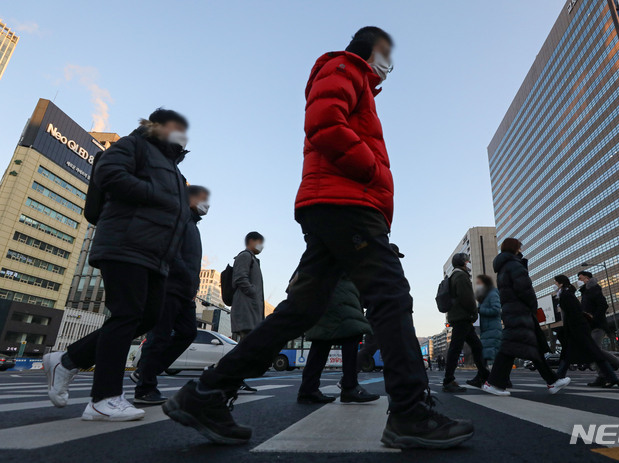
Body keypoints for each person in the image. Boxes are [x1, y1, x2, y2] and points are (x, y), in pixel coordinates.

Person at [162, 26, 473, 449]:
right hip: (348, 202)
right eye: (389, 55)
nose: (391, 65)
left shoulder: (352, 77)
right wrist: (373, 171)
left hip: (335, 204)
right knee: (390, 294)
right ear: (374, 50)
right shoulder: (344, 67)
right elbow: (324, 123)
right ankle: (410, 411)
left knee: (301, 310)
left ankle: (207, 392)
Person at [43, 109, 191, 421]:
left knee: (145, 317)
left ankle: (67, 361)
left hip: (155, 256)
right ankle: (104, 399)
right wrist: (152, 192)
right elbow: (108, 172)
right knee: (126, 315)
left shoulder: (173, 169)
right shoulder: (135, 144)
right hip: (126, 244)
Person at [131, 185, 210, 404]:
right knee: (160, 336)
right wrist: (185, 275)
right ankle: (145, 388)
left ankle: (146, 371)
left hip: (185, 292)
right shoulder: (179, 218)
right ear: (190, 199)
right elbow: (170, 250)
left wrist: (192, 285)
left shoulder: (193, 224)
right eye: (204, 198)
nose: (208, 204)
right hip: (168, 286)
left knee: (187, 332)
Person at [482, 238, 571, 396]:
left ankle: (552, 381)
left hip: (512, 310)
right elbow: (525, 289)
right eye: (519, 247)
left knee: (532, 347)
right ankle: (493, 383)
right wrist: (532, 306)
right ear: (515, 248)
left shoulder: (503, 268)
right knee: (510, 347)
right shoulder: (514, 265)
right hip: (520, 311)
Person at [297, 276, 379, 404]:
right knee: (351, 334)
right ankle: (349, 386)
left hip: (330, 296)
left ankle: (308, 389)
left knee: (322, 340)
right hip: (339, 295)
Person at [553, 275, 619, 388]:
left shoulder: (566, 295)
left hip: (577, 330)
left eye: (555, 282)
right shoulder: (567, 294)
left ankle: (557, 378)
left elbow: (573, 314)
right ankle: (558, 378)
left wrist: (570, 330)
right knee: (573, 355)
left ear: (561, 284)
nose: (554, 285)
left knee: (592, 354)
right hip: (578, 329)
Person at [442, 253, 490, 392]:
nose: (468, 264)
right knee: (456, 349)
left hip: (459, 317)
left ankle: (483, 375)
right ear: (463, 263)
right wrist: (474, 313)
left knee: (476, 346)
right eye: (467, 261)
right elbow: (467, 298)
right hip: (462, 318)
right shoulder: (461, 276)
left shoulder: (453, 275)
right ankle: (448, 380)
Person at [577, 270, 619, 385]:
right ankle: (603, 375)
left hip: (597, 325)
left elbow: (603, 305)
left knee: (594, 350)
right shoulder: (585, 292)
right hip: (591, 326)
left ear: (587, 279)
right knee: (594, 351)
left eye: (580, 278)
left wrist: (594, 318)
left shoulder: (593, 289)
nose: (579, 281)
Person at [357, 244, 403, 372]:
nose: (397, 259)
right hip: (380, 313)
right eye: (396, 255)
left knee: (386, 345)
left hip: (380, 312)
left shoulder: (376, 266)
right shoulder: (383, 268)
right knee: (371, 347)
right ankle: (348, 379)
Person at [230, 231, 265, 393]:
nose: (261, 246)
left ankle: (236, 378)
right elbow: (239, 278)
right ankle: (230, 377)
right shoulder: (245, 256)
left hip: (250, 308)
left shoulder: (254, 260)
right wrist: (252, 292)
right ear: (251, 241)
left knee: (246, 346)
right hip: (245, 308)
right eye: (259, 242)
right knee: (244, 345)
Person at [477, 274, 502, 368]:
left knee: (490, 354)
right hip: (486, 329)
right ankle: (485, 377)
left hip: (493, 328)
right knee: (485, 354)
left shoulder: (492, 294)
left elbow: (496, 310)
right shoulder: (483, 296)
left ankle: (486, 377)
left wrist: (480, 311)